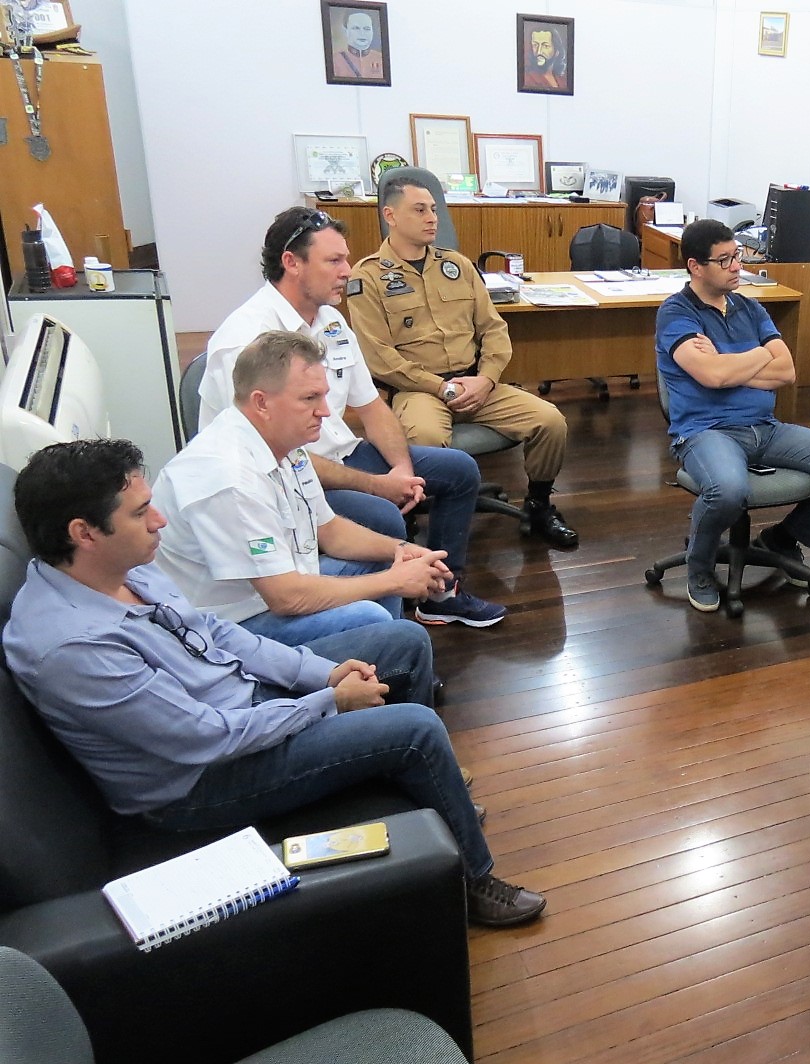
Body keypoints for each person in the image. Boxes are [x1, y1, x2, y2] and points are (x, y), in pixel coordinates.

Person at [2, 439, 543, 927]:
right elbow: (207, 738)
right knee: (416, 729)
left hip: (240, 707)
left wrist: (322, 673)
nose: (159, 521)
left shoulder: (117, 568)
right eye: (141, 512)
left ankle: (421, 793)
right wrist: (328, 701)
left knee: (405, 641)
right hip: (200, 781)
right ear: (84, 532)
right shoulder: (72, 647)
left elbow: (217, 635)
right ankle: (472, 880)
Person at [198, 207, 505, 628]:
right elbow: (285, 459)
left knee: (458, 470)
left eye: (346, 258)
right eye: (334, 261)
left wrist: (401, 469)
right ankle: (387, 636)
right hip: (284, 476)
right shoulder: (246, 341)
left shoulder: (331, 321)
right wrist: (380, 486)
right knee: (382, 516)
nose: (347, 271)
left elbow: (371, 405)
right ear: (292, 262)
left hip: (340, 455)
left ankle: (439, 595)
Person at [155, 331, 453, 646]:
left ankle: (390, 665)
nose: (325, 411)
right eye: (310, 398)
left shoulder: (286, 444)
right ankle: (390, 660)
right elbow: (287, 598)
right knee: (372, 620)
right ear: (262, 403)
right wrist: (393, 583)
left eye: (324, 396)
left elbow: (331, 531)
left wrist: (405, 552)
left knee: (388, 562)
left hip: (269, 593)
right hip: (219, 629)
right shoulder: (230, 476)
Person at [345, 176, 579, 548]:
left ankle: (539, 504)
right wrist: (440, 387)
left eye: (434, 210)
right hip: (419, 390)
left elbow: (494, 329)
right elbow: (378, 357)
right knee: (426, 439)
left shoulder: (458, 266)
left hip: (476, 384)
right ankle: (418, 521)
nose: (432, 218)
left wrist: (486, 379)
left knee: (550, 421)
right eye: (419, 209)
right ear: (390, 215)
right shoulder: (367, 276)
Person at [654, 219, 810, 613]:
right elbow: (712, 375)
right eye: (724, 260)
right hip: (705, 432)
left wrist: (725, 361)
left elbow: (786, 372)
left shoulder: (750, 308)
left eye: (737, 255)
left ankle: (783, 539)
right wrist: (755, 357)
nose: (737, 266)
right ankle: (698, 567)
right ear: (695, 266)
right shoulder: (676, 314)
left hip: (764, 429)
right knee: (728, 491)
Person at [332, 9, 383, 80]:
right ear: (345, 31)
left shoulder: (381, 59)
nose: (362, 33)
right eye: (356, 28)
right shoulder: (335, 61)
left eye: (367, 29)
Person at [522, 26, 568, 91]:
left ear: (557, 51)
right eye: (535, 45)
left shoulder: (563, 81)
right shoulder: (527, 79)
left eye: (545, 46)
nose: (539, 51)